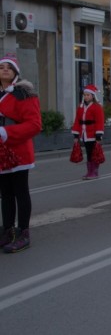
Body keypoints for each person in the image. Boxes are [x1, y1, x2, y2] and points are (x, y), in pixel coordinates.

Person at [0, 53, 42, 253]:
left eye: (9, 67)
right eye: (2, 67)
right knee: (5, 194)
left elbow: (34, 125)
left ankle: (23, 232)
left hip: (18, 151)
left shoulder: (24, 93)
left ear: (16, 72)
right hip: (1, 152)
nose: (5, 69)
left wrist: (6, 132)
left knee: (20, 191)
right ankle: (7, 230)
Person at [71, 84, 105, 180]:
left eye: (88, 95)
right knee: (88, 152)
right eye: (85, 95)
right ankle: (89, 171)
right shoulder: (81, 107)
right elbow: (77, 121)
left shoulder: (97, 107)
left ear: (92, 96)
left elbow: (100, 121)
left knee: (93, 153)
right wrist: (76, 135)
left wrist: (98, 135)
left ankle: (94, 172)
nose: (86, 97)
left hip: (93, 134)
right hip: (84, 134)